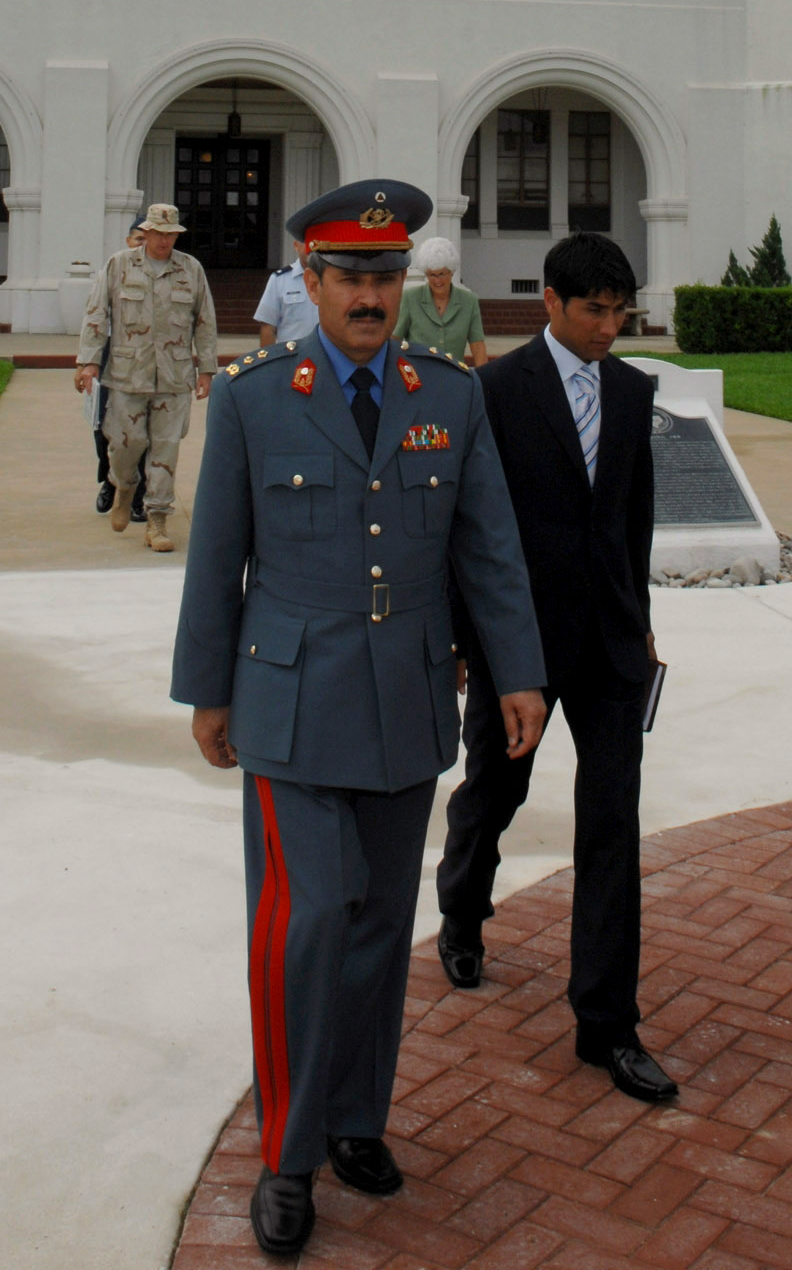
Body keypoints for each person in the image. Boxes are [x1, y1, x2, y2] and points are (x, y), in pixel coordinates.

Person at [172, 181, 547, 1259]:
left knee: (383, 925)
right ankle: (286, 1158)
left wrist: (516, 668)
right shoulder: (252, 400)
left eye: (387, 277)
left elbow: (488, 544)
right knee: (308, 922)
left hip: (408, 697)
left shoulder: (448, 395)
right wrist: (209, 688)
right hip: (289, 699)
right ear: (310, 282)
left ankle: (353, 1122)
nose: (372, 295)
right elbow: (216, 559)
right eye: (351, 277)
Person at [435, 230, 677, 1106]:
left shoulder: (631, 388)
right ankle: (462, 908)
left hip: (611, 647)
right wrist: (473, 645)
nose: (611, 327)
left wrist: (641, 626)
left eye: (621, 311)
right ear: (550, 302)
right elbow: (468, 531)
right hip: (521, 648)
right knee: (496, 792)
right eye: (594, 311)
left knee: (613, 822)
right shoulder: (493, 393)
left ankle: (607, 1023)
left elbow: (631, 521)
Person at [75, 202, 218, 554]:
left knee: (166, 448)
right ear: (146, 232)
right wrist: (88, 362)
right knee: (125, 444)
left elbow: (205, 320)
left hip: (174, 376)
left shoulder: (190, 269)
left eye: (171, 235)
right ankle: (123, 485)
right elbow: (97, 313)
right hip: (127, 375)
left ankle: (157, 519)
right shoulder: (119, 265)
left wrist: (207, 369)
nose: (164, 241)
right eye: (158, 233)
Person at [93, 218, 149, 520]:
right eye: (137, 238)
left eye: (147, 239)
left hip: (145, 361)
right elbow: (95, 315)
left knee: (139, 432)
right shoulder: (114, 269)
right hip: (112, 357)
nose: (142, 244)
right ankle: (110, 482)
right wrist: (88, 361)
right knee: (104, 428)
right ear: (128, 240)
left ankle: (138, 498)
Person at [393, 235, 486, 366]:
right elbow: (394, 340)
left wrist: (483, 380)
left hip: (454, 376)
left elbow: (478, 345)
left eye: (442, 274)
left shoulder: (469, 301)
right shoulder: (410, 298)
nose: (437, 280)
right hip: (418, 378)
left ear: (452, 272)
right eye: (432, 275)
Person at [254, 237, 319, 350]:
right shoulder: (280, 280)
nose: (310, 246)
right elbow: (268, 327)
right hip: (292, 357)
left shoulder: (333, 278)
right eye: (305, 241)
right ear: (296, 246)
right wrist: (269, 363)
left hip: (326, 359)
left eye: (314, 240)